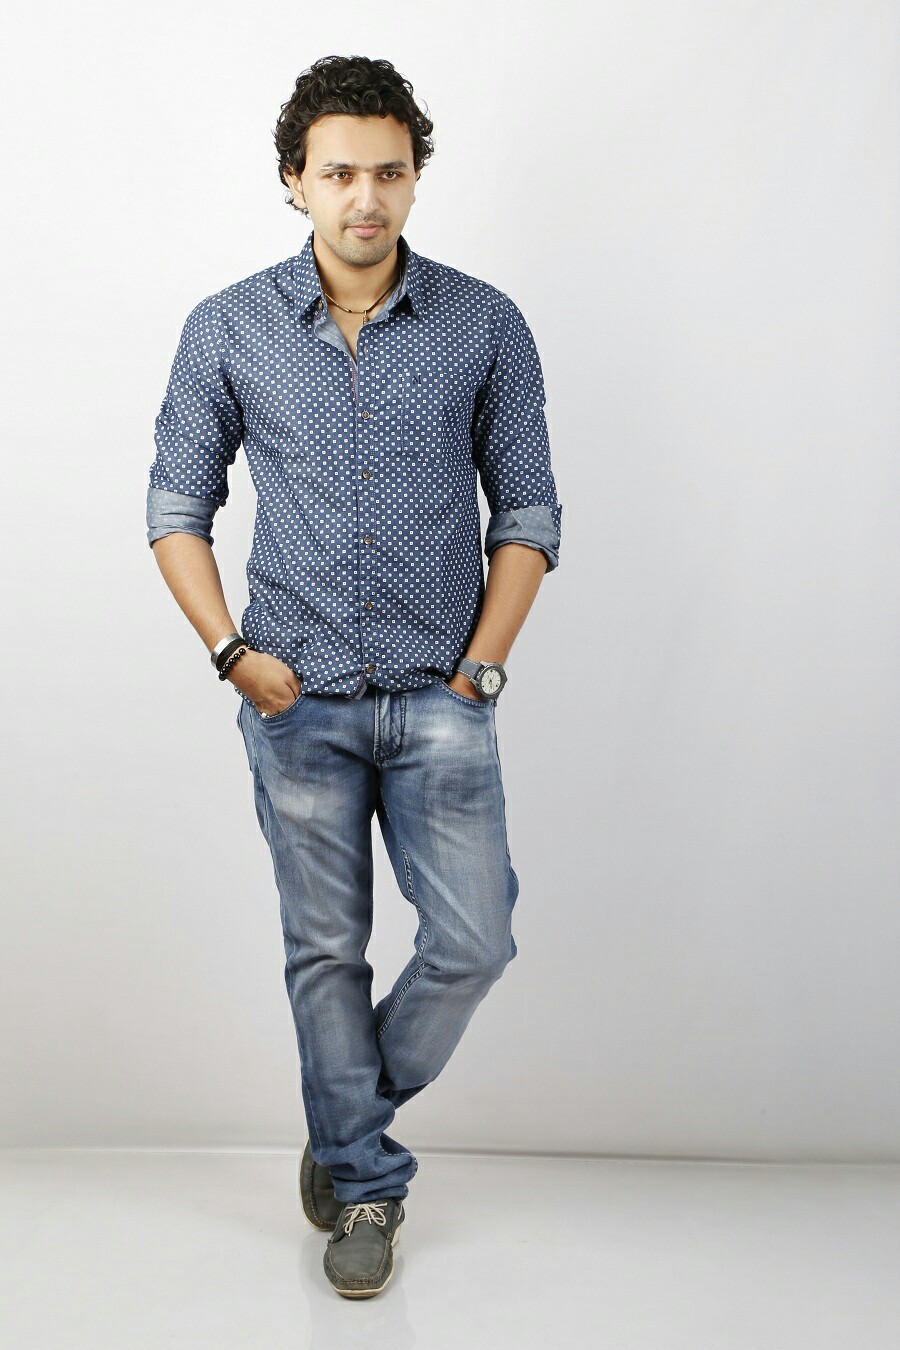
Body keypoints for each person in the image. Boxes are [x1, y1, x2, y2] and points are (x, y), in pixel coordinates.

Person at [146, 54, 563, 1300]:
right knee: (325, 951)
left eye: (388, 172)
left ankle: (343, 1124)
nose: (365, 197)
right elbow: (175, 508)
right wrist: (233, 654)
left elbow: (528, 513)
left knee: (475, 941)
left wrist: (481, 673)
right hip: (296, 702)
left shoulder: (486, 323)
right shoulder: (226, 328)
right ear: (296, 181)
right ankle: (365, 1190)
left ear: (415, 179)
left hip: (443, 697)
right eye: (339, 174)